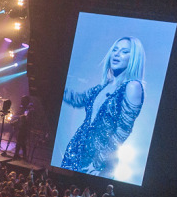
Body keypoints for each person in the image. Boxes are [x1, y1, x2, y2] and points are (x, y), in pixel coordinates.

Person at [59, 36, 147, 177]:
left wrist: (97, 162)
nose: (117, 54)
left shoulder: (133, 87)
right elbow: (78, 99)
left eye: (124, 51)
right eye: (115, 50)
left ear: (134, 58)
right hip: (75, 152)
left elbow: (122, 131)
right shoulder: (103, 86)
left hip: (98, 163)